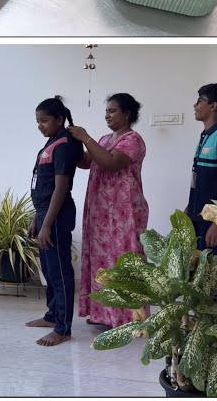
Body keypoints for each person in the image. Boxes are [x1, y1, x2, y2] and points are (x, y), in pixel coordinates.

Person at [69, 93, 150, 329]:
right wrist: (71, 142)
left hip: (124, 211)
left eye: (112, 111)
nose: (107, 115)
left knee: (123, 259)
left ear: (127, 114)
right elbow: (87, 161)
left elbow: (111, 162)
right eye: (106, 111)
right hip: (101, 212)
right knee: (101, 260)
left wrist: (85, 137)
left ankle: (128, 317)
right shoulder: (104, 139)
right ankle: (103, 314)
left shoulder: (133, 140)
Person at [26, 96, 83, 347]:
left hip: (56, 216)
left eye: (45, 120)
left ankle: (63, 328)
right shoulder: (52, 141)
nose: (40, 125)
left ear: (59, 119)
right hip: (45, 213)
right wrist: (36, 217)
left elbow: (60, 189)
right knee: (49, 269)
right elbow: (43, 185)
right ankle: (52, 315)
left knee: (59, 271)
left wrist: (47, 223)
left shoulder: (65, 143)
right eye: (38, 121)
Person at [185, 83, 217, 254]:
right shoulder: (205, 135)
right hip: (196, 215)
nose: (195, 105)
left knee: (210, 274)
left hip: (211, 222)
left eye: (200, 101)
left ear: (213, 106)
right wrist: (189, 208)